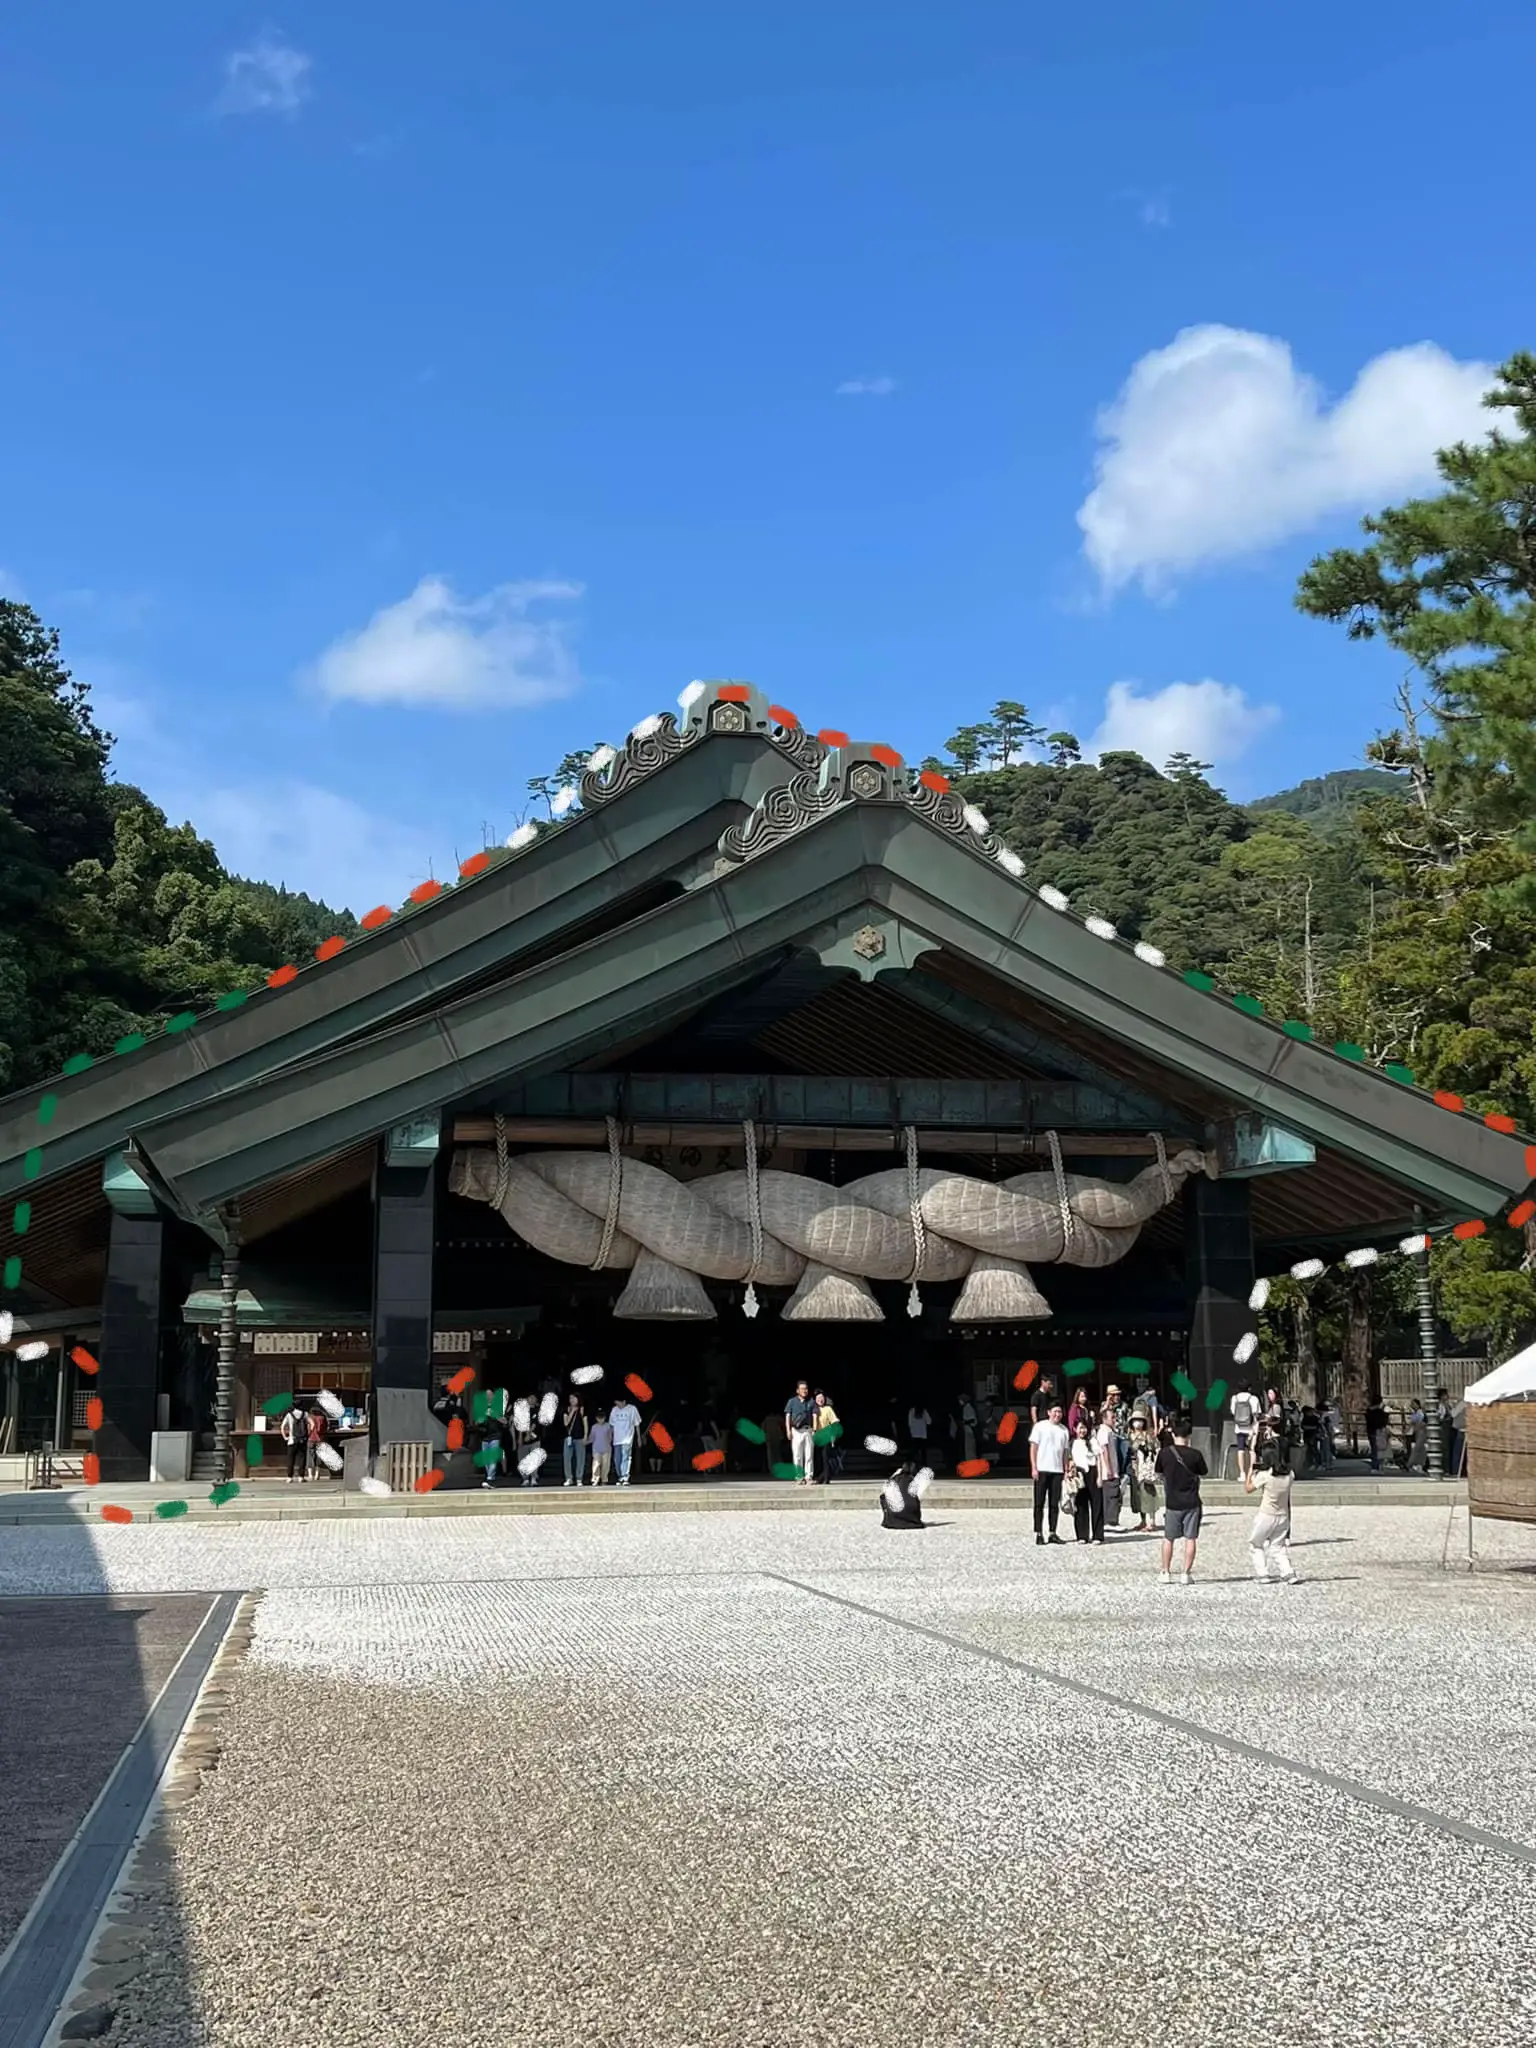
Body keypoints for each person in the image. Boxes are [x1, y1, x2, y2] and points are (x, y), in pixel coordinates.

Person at [1155, 1419, 1207, 1585]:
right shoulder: (1195, 1454)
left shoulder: (1164, 1453)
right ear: (1189, 1434)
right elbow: (1203, 1472)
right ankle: (1186, 1573)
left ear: (1172, 1433)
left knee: (1168, 1538)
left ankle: (1165, 1571)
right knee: (1190, 1538)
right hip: (1191, 1501)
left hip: (1172, 1502)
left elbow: (1158, 1473)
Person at [1246, 1437, 1298, 1583]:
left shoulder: (1265, 1475)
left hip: (1266, 1514)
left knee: (1256, 1544)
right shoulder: (1290, 1474)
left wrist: (1250, 1470)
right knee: (1278, 1546)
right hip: (1283, 1515)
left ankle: (1263, 1574)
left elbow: (1248, 1488)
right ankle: (1288, 1572)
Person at [1029, 1401, 1070, 1546]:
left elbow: (1065, 1452)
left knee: (1054, 1504)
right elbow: (1033, 1447)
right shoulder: (1040, 1426)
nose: (1057, 1414)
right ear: (1048, 1412)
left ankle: (1053, 1532)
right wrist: (1034, 1467)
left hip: (1057, 1470)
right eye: (1055, 1411)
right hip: (1042, 1469)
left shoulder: (1064, 1430)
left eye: (1059, 1412)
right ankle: (1038, 1532)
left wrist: (1066, 1469)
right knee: (1039, 1503)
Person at [1068, 1419, 1104, 1544]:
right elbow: (1069, 1459)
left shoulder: (1092, 1441)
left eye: (1084, 1428)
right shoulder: (1072, 1443)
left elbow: (1099, 1459)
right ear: (1074, 1429)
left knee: (1096, 1504)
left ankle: (1097, 1535)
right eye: (1080, 1428)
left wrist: (1100, 1476)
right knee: (1080, 1504)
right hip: (1079, 1474)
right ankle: (1082, 1535)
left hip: (1092, 1472)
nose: (1082, 1430)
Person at [1127, 1414, 1158, 1530]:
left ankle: (1151, 1521)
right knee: (1138, 1496)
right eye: (1136, 1420)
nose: (1138, 1423)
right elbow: (1130, 1451)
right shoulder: (1130, 1436)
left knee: (1148, 1493)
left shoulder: (1148, 1435)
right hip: (1135, 1468)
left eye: (1140, 1420)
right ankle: (1143, 1520)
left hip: (1146, 1468)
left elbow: (1154, 1448)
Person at [785, 1380, 818, 1485]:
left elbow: (815, 1415)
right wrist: (788, 1430)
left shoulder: (811, 1401)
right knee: (797, 1455)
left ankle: (809, 1477)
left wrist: (815, 1429)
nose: (805, 1391)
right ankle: (799, 1477)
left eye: (806, 1389)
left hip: (808, 1430)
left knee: (809, 1455)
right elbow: (788, 1416)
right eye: (802, 1389)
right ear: (797, 1390)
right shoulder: (792, 1401)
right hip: (796, 1431)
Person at [609, 1391, 642, 1486]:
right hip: (617, 1438)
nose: (617, 1405)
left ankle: (625, 1476)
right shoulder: (614, 1410)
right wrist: (610, 1436)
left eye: (618, 1403)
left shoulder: (632, 1409)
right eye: (616, 1403)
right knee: (617, 1459)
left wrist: (638, 1437)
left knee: (626, 1457)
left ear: (623, 1401)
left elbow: (637, 1424)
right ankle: (620, 1476)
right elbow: (611, 1424)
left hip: (627, 1438)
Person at [880, 1462, 926, 1530]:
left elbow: (884, 1493)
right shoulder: (913, 1480)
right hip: (911, 1513)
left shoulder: (894, 1478)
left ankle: (889, 1517)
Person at [1229, 1383, 1261, 1480]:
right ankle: (1252, 1473)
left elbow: (1233, 1411)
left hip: (1239, 1427)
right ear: (1249, 1388)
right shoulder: (1253, 1398)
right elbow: (1257, 1413)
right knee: (1252, 1450)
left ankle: (1242, 1473)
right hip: (1252, 1428)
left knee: (1241, 1450)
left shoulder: (1235, 1398)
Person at [813, 1389, 842, 1484]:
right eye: (818, 1398)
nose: (820, 1400)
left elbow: (834, 1422)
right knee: (818, 1459)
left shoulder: (828, 1409)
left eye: (822, 1398)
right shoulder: (812, 1409)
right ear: (815, 1399)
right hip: (814, 1437)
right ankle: (819, 1478)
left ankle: (826, 1478)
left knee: (825, 1458)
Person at [561, 1393, 589, 1488]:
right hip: (569, 1437)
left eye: (574, 1398)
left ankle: (579, 1478)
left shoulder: (582, 1410)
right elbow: (566, 1423)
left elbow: (585, 1423)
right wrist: (572, 1412)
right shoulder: (566, 1410)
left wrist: (586, 1436)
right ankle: (569, 1478)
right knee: (567, 1459)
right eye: (570, 1398)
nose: (572, 1400)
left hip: (580, 1437)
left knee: (580, 1458)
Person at [281, 1400, 309, 1484]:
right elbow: (312, 1424)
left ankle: (290, 1477)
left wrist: (285, 1437)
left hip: (292, 1440)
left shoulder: (289, 1415)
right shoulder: (305, 1414)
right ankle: (301, 1477)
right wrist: (307, 1434)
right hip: (302, 1440)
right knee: (302, 1459)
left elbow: (282, 1427)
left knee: (290, 1459)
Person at [1364, 1394, 1391, 1473]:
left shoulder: (1369, 1411)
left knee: (1374, 1449)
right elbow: (1384, 1421)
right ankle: (1376, 1466)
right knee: (1379, 1449)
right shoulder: (1380, 1412)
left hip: (1370, 1430)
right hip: (1378, 1431)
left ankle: (1375, 1465)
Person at [589, 1406, 614, 1487]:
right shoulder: (594, 1427)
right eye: (599, 1417)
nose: (600, 1419)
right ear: (596, 1418)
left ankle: (604, 1480)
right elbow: (592, 1437)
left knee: (605, 1465)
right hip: (596, 1448)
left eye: (602, 1417)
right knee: (596, 1464)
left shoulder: (608, 1426)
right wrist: (586, 1442)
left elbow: (610, 1437)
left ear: (605, 1418)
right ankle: (595, 1479)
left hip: (606, 1448)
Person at [305, 1402, 327, 1480]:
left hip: (311, 1438)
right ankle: (317, 1474)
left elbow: (307, 1428)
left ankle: (310, 1475)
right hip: (320, 1439)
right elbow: (325, 1428)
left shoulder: (309, 1417)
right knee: (319, 1457)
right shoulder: (323, 1417)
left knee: (310, 1456)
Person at [1405, 1397, 1428, 1474]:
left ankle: (1410, 1464)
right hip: (1417, 1432)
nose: (1412, 1405)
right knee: (1421, 1449)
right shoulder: (1415, 1413)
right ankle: (1420, 1465)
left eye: (1414, 1404)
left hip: (1421, 1431)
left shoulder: (1420, 1413)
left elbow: (1421, 1423)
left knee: (1417, 1448)